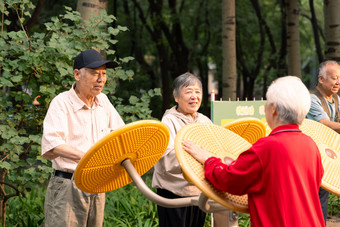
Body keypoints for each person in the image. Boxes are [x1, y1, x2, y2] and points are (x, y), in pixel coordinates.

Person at [182, 76, 325, 227]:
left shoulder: (266, 147)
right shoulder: (311, 145)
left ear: (274, 109)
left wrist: (208, 159)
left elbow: (229, 180)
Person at [41, 48, 125, 227]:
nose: (101, 79)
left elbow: (120, 136)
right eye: (95, 74)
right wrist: (90, 158)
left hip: (97, 184)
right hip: (68, 186)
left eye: (104, 73)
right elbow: (53, 145)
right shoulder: (61, 103)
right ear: (77, 74)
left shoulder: (104, 101)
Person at [152, 72, 211, 227]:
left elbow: (214, 150)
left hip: (200, 193)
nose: (194, 96)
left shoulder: (205, 121)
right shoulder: (168, 121)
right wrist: (199, 156)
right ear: (176, 97)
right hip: (173, 194)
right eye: (188, 92)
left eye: (197, 92)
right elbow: (168, 158)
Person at [307, 60, 340, 225]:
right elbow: (324, 124)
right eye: (334, 78)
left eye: (339, 78)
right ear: (321, 79)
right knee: (316, 194)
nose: (338, 82)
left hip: (326, 156)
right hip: (309, 156)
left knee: (322, 194)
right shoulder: (312, 99)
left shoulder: (337, 100)